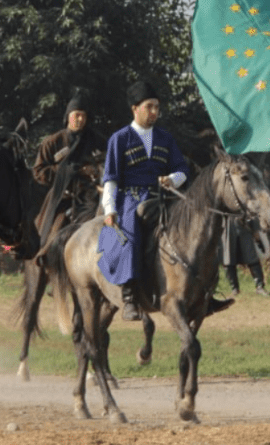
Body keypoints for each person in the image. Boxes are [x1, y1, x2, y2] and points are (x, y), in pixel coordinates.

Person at [97, 81, 234, 321]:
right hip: (131, 200)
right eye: (149, 107)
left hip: (165, 197)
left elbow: (182, 170)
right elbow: (110, 179)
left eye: (156, 107)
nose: (154, 112)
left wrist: (172, 179)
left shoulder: (165, 138)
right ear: (135, 109)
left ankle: (205, 293)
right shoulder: (119, 139)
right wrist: (110, 210)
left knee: (198, 230)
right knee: (130, 231)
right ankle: (129, 295)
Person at [33, 90, 102, 258]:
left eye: (83, 116)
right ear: (68, 116)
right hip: (62, 196)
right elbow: (38, 172)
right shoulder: (52, 142)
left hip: (91, 195)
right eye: (76, 115)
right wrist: (68, 171)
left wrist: (95, 171)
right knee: (50, 232)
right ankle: (43, 255)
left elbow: (107, 162)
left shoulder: (98, 140)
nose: (80, 119)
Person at [222, 218, 270, 296]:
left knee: (251, 257)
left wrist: (255, 229)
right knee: (228, 259)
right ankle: (234, 289)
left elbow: (252, 210)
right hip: (228, 226)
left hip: (244, 224)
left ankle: (260, 287)